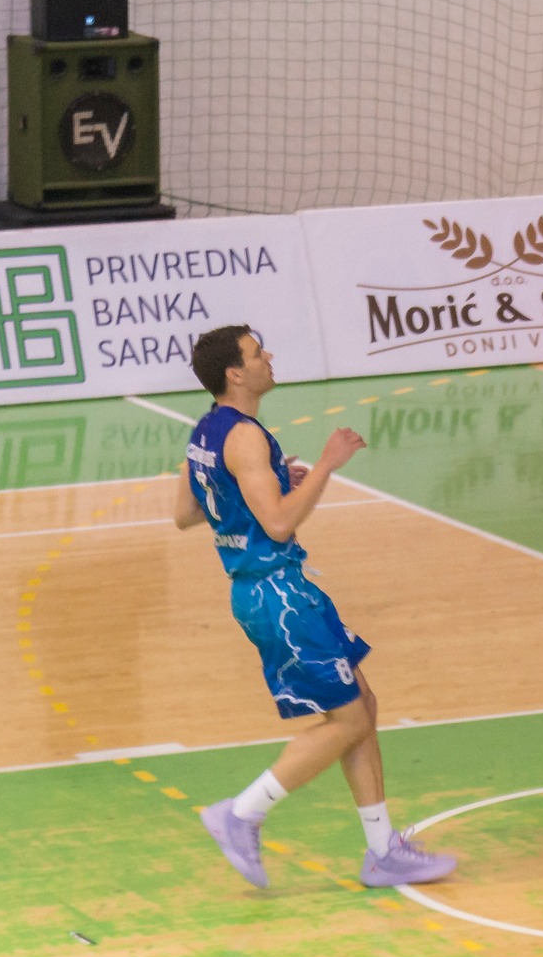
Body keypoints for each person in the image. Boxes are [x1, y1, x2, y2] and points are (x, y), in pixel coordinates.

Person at [173, 324, 457, 890]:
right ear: (235, 373)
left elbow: (187, 512)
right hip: (279, 597)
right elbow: (279, 523)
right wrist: (326, 465)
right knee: (348, 721)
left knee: (362, 705)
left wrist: (276, 479)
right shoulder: (245, 437)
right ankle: (241, 813)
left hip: (270, 592)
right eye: (257, 353)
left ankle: (383, 850)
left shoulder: (206, 431)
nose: (268, 357)